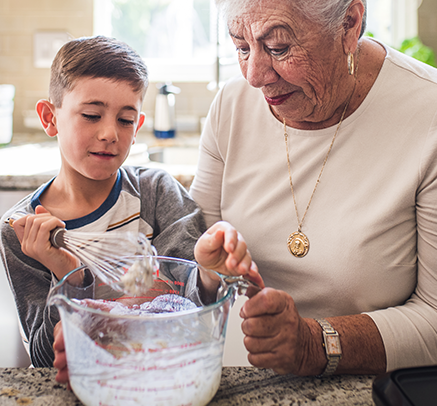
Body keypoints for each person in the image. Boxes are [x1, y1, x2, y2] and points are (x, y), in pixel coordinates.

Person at [188, 0, 437, 376]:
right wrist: (212, 271)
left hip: (383, 390)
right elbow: (194, 271)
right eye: (240, 46)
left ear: (350, 23)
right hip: (243, 380)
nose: (255, 75)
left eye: (277, 47)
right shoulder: (232, 105)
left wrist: (315, 344)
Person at [0, 36, 262, 369]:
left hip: (164, 378)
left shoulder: (156, 194)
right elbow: (44, 359)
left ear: (137, 127)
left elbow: (190, 312)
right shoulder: (22, 232)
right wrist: (71, 277)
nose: (110, 133)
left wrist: (209, 272)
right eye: (92, 115)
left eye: (125, 120)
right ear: (50, 117)